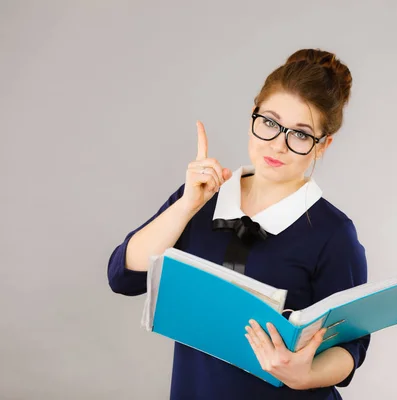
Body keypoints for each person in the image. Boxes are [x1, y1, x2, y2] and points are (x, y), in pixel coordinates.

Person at [107, 48, 370, 399]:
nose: (278, 145)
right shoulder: (201, 199)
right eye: (269, 123)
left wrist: (305, 374)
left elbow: (351, 346)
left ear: (322, 146)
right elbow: (123, 276)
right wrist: (186, 205)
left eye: (301, 134)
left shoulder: (332, 233)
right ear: (253, 116)